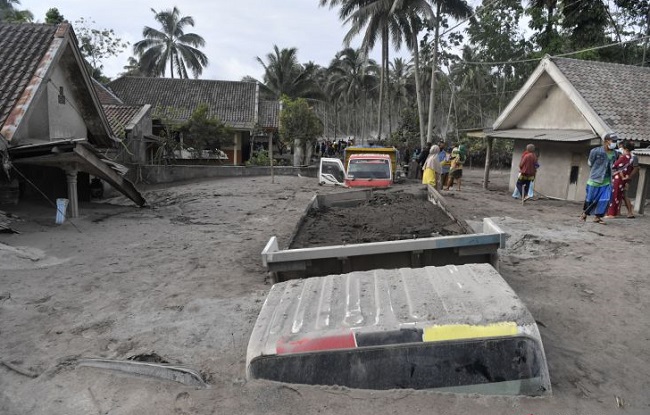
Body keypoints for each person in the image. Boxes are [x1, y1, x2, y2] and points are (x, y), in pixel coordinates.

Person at [580, 133, 617, 224]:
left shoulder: (615, 153)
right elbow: (590, 163)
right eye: (613, 141)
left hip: (607, 181)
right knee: (590, 199)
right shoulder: (595, 151)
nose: (614, 143)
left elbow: (614, 165)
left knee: (605, 199)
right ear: (606, 141)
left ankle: (597, 217)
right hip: (594, 179)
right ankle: (585, 213)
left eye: (616, 141)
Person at [605, 141, 635, 218]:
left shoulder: (624, 157)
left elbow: (614, 166)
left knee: (614, 195)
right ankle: (614, 213)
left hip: (618, 178)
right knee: (618, 195)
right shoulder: (631, 157)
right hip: (624, 179)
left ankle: (611, 214)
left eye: (622, 148)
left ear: (626, 149)